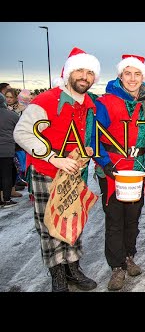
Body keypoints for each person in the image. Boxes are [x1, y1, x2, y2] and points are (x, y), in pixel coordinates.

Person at [13, 47, 100, 292]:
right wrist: (53, 158)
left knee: (74, 221)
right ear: (70, 72)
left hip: (74, 174)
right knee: (49, 225)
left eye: (90, 72)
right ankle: (57, 274)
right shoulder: (46, 100)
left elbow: (84, 137)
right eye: (80, 70)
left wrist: (87, 150)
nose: (84, 76)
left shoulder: (89, 105)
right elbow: (21, 133)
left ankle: (73, 268)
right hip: (46, 172)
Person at [92, 54, 145, 291]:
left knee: (133, 218)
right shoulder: (105, 102)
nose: (133, 78)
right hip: (113, 168)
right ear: (120, 76)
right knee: (115, 219)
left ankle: (129, 256)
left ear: (142, 77)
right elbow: (93, 136)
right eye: (128, 73)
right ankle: (116, 266)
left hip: (137, 169)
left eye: (137, 74)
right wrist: (104, 162)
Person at [0, 93, 19, 208]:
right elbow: (21, 128)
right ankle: (6, 199)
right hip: (6, 149)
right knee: (7, 174)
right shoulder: (11, 115)